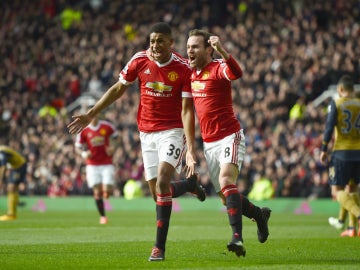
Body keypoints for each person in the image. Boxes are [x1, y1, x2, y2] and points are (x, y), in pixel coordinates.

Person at [67, 22, 205, 261]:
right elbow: (118, 89)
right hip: (146, 133)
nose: (155, 45)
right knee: (159, 194)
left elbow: (186, 109)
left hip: (171, 131)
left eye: (160, 41)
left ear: (171, 43)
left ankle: (158, 248)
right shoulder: (139, 60)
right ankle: (190, 185)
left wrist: (191, 147)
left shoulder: (183, 68)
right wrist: (91, 113)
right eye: (152, 41)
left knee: (163, 181)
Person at [186, 29, 271, 257]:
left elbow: (237, 73)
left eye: (195, 46)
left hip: (229, 135)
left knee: (226, 180)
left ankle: (237, 238)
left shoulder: (217, 68)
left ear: (207, 49)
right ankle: (259, 215)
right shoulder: (191, 74)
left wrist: (222, 51)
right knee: (226, 198)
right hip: (209, 143)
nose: (190, 51)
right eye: (188, 47)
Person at [319, 74, 360, 237]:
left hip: (342, 152)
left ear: (341, 90)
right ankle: (351, 228)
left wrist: (323, 148)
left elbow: (329, 127)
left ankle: (357, 215)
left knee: (337, 192)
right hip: (359, 152)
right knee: (353, 189)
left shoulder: (336, 103)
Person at [74, 114, 118, 224]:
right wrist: (84, 154)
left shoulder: (106, 126)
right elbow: (77, 146)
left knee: (107, 191)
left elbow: (117, 137)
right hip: (92, 165)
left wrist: (113, 147)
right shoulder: (84, 130)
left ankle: (106, 195)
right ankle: (103, 216)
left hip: (106, 163)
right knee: (97, 192)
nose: (94, 116)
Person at [0, 145, 27, 221]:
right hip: (16, 166)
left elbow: (3, 166)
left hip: (19, 166)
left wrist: (1, 180)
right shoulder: (1, 149)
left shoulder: (1, 152)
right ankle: (15, 204)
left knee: (11, 187)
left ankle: (11, 214)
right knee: (12, 188)